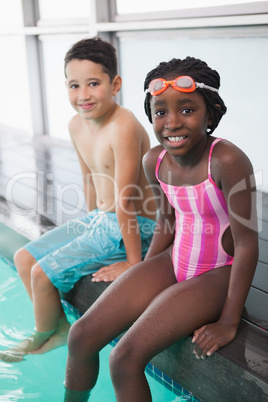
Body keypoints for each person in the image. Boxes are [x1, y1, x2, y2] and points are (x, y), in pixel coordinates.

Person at [64, 56, 259, 402]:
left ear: (210, 113)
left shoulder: (226, 160)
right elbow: (167, 221)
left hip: (216, 275)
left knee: (123, 358)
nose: (172, 123)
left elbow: (246, 244)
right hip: (173, 261)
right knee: (80, 334)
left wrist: (229, 320)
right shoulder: (155, 160)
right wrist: (142, 276)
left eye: (187, 110)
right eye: (160, 112)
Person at [0, 37, 156, 363]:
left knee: (42, 274)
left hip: (137, 226)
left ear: (115, 84)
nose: (82, 95)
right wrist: (87, 226)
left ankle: (49, 334)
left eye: (93, 84)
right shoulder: (77, 124)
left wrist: (133, 263)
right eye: (74, 85)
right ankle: (55, 325)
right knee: (24, 258)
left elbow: (127, 199)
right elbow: (88, 180)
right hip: (102, 220)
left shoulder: (124, 126)